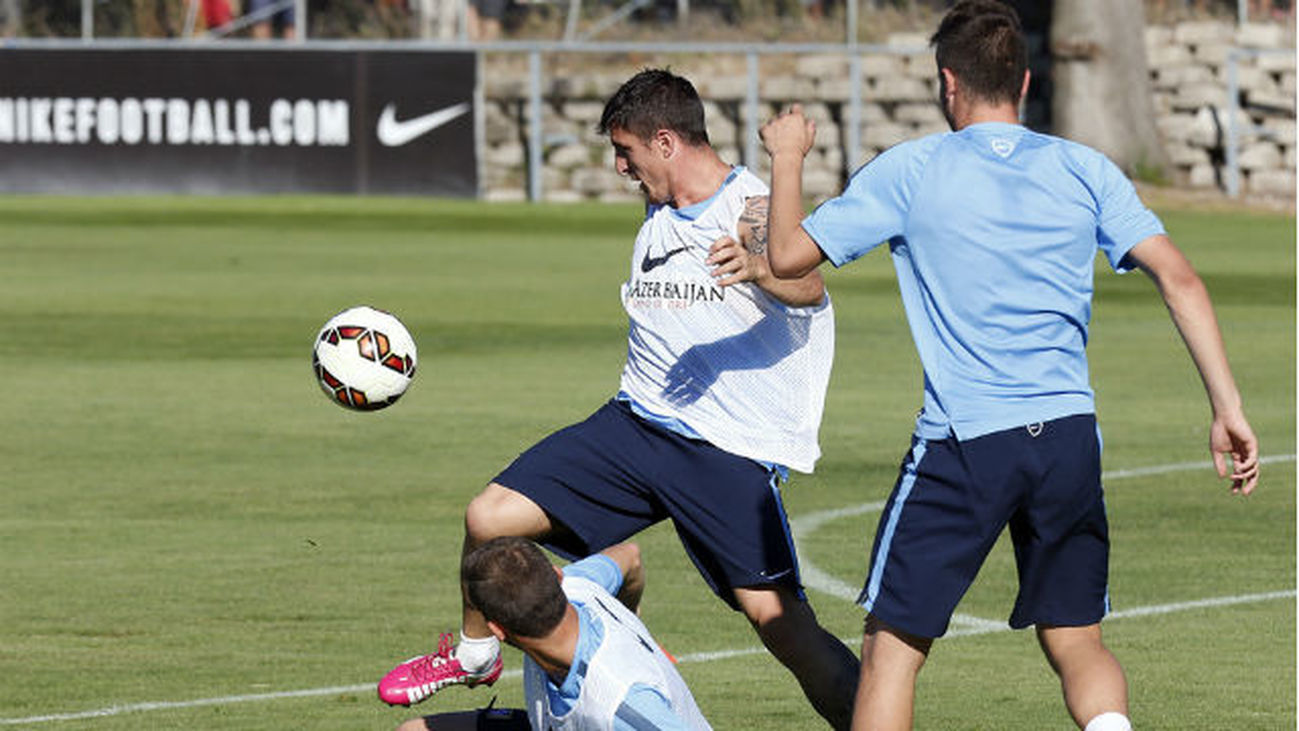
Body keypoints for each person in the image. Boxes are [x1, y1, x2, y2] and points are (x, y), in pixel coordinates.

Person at [759, 2, 1260, 730]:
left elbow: (785, 257)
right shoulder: (1085, 168)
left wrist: (786, 157)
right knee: (1077, 638)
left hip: (965, 441)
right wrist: (1227, 407)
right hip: (1067, 437)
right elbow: (1180, 278)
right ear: (1023, 81)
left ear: (947, 83)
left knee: (891, 648)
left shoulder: (911, 169)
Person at [378, 68, 860, 729]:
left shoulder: (748, 207)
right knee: (488, 518)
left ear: (665, 142)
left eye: (625, 150)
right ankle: (475, 652)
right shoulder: (660, 203)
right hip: (633, 427)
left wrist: (760, 262)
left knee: (784, 627)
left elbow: (807, 288)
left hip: (721, 450)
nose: (619, 167)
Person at [395, 538, 710, 731]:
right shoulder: (578, 586)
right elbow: (630, 555)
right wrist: (631, 615)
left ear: (497, 630)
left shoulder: (622, 704)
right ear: (558, 576)